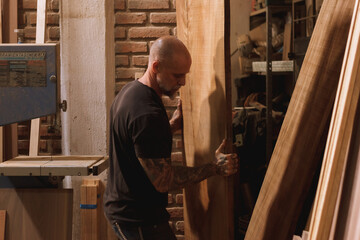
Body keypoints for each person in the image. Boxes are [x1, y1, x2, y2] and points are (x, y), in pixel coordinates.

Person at [103, 36, 239, 240]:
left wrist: (171, 126)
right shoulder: (146, 114)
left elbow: (138, 143)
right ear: (156, 66)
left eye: (184, 75)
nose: (182, 82)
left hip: (126, 211)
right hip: (138, 220)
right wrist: (215, 167)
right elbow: (163, 181)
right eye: (177, 76)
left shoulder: (130, 92)